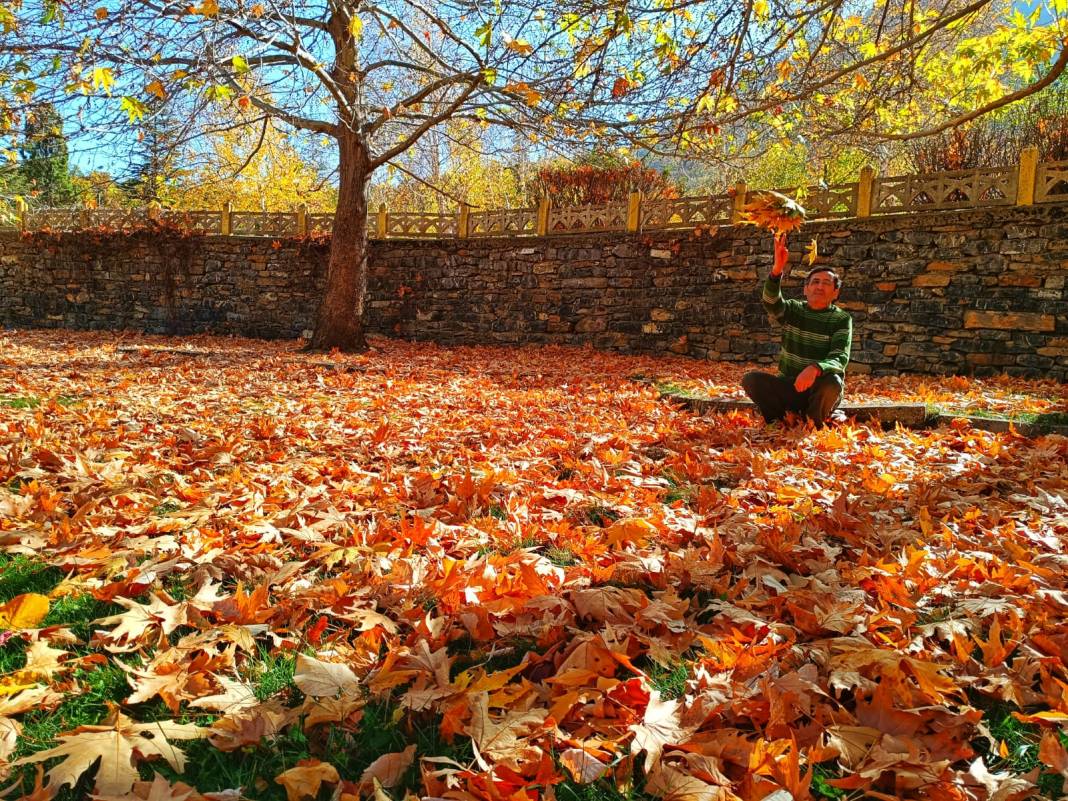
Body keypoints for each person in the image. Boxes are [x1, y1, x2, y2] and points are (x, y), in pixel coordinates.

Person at [742, 233, 853, 425]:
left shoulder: (841, 319)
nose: (819, 286)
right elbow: (771, 302)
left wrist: (815, 368)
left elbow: (839, 357)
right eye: (815, 282)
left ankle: (812, 423)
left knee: (833, 382)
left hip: (819, 389)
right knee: (752, 380)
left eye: (827, 283)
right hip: (789, 386)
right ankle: (779, 420)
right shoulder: (794, 309)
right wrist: (777, 269)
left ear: (836, 293)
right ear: (805, 289)